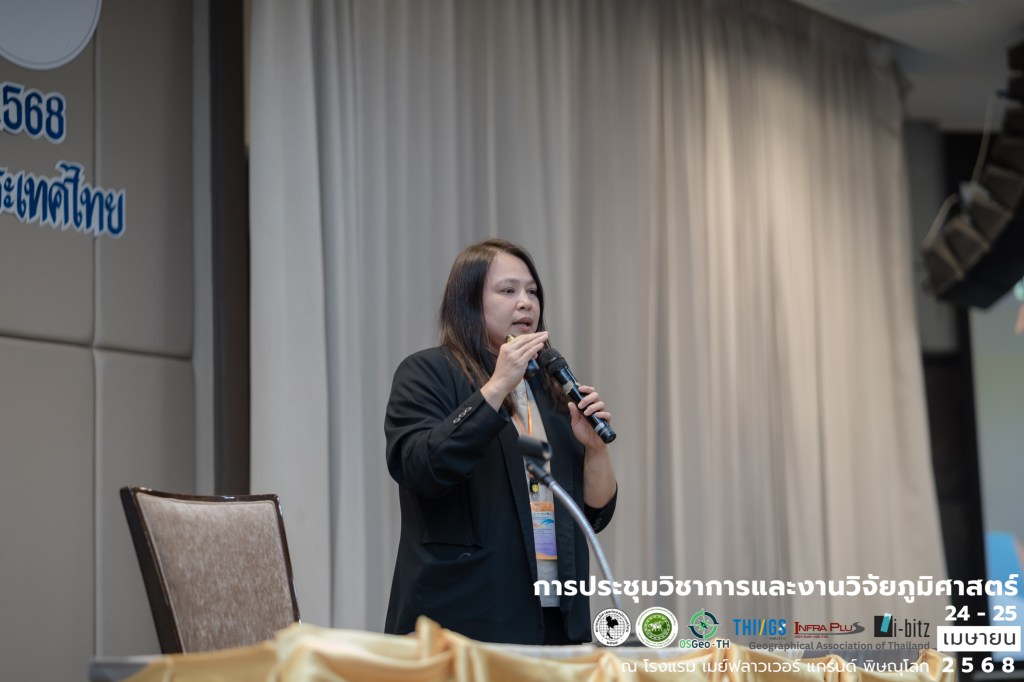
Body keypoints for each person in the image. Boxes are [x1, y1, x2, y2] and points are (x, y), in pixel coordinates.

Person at [384, 238, 618, 645]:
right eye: (508, 291)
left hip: (555, 617)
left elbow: (592, 514)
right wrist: (496, 388)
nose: (525, 303)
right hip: (462, 621)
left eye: (532, 292)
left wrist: (595, 450)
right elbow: (421, 467)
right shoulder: (427, 372)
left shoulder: (550, 388)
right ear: (469, 302)